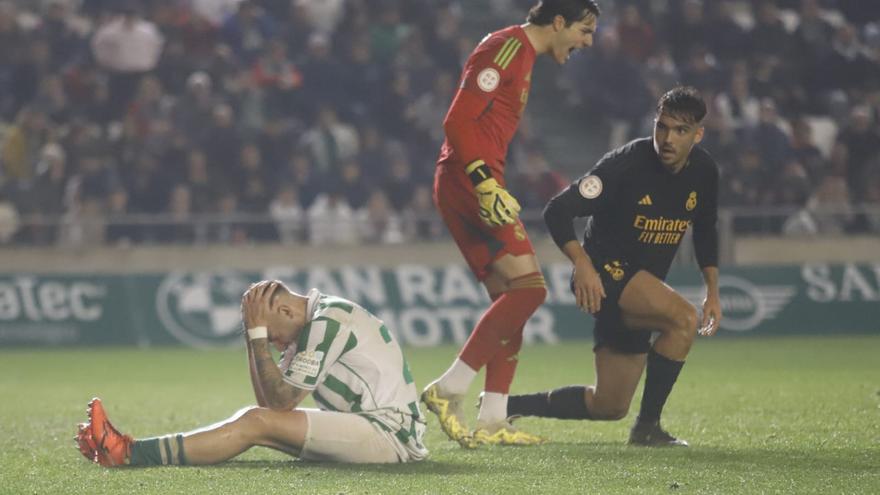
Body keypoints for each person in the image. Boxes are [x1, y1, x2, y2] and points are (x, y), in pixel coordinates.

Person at [422, 0, 600, 448]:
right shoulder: (504, 48)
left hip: (470, 180)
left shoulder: (521, 55)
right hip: (469, 180)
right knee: (531, 290)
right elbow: (456, 120)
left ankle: (494, 418)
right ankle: (449, 387)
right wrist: (483, 181)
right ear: (558, 22)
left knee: (511, 300)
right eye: (585, 29)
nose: (588, 40)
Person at [504, 86, 723, 446]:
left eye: (680, 131)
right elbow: (557, 210)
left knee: (608, 404)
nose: (667, 139)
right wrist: (583, 264)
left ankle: (503, 405)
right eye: (662, 127)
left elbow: (706, 229)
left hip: (640, 290)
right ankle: (648, 429)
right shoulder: (626, 164)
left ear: (698, 134)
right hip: (603, 275)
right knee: (683, 319)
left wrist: (713, 290)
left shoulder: (704, 171)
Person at [76, 280, 428, 465]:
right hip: (378, 427)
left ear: (289, 312)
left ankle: (129, 452)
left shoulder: (329, 321)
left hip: (389, 433)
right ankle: (123, 451)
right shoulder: (312, 325)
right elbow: (269, 402)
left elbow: (281, 401)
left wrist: (257, 335)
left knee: (254, 423)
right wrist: (253, 334)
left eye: (272, 333)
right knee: (258, 424)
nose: (273, 343)